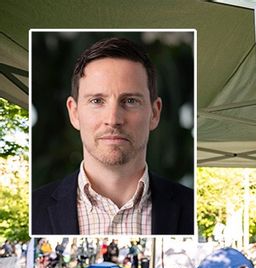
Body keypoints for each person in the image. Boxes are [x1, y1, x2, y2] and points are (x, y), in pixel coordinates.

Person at [31, 37, 193, 235]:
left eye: (130, 100)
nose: (113, 119)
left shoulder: (192, 209)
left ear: (155, 113)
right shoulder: (33, 210)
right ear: (74, 113)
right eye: (97, 100)